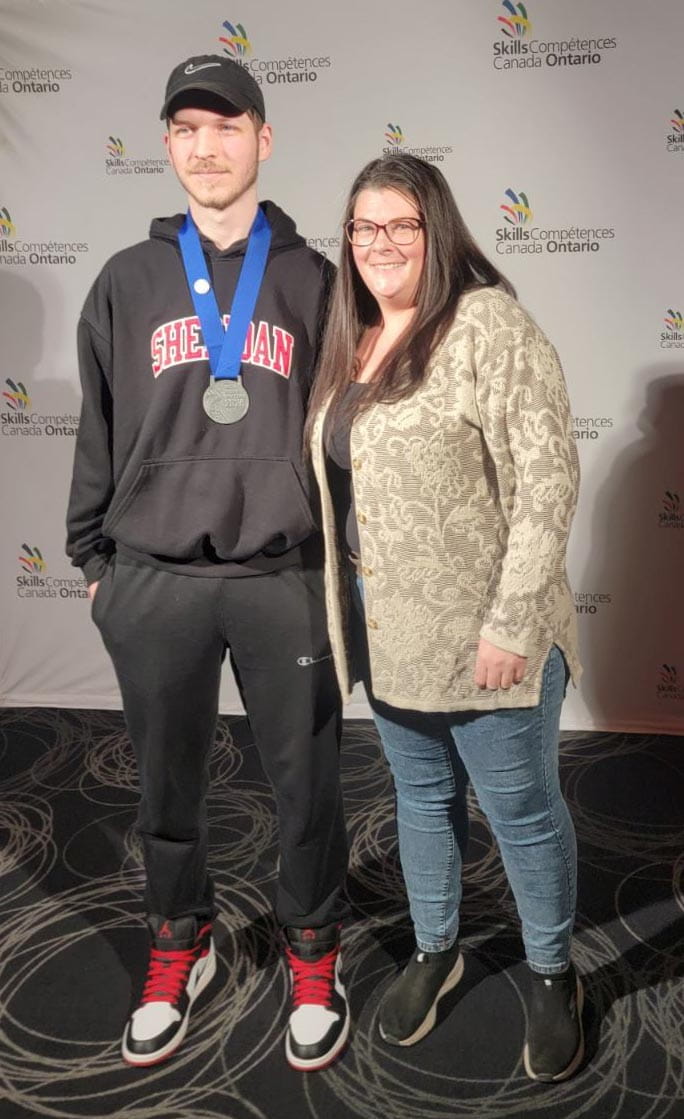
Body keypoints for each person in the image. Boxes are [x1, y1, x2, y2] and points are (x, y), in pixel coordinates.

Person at [65, 55, 350, 1073]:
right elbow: (96, 425)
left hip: (283, 576)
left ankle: (314, 949)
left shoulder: (313, 277)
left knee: (307, 779)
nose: (205, 145)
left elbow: (345, 432)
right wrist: (93, 558)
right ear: (168, 144)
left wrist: (346, 562)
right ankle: (178, 941)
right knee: (165, 786)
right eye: (186, 127)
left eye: (226, 126)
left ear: (263, 141)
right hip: (155, 578)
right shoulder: (127, 280)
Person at [307, 154, 583, 1083]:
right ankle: (438, 947)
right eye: (362, 228)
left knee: (521, 814)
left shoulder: (487, 326)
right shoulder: (353, 338)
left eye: (400, 226)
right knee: (422, 802)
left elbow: (548, 480)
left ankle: (553, 972)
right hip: (390, 635)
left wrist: (513, 622)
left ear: (437, 230)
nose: (378, 244)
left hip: (486, 638)